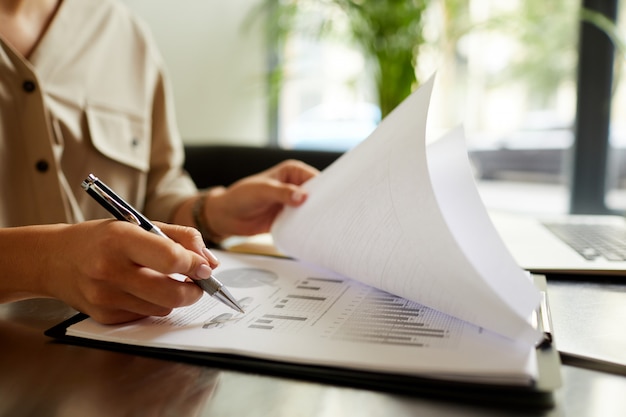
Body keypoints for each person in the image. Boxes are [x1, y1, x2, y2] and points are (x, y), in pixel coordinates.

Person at [0, 0, 318, 324]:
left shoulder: (123, 32)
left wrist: (210, 211)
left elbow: (155, 190)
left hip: (117, 358)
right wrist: (47, 262)